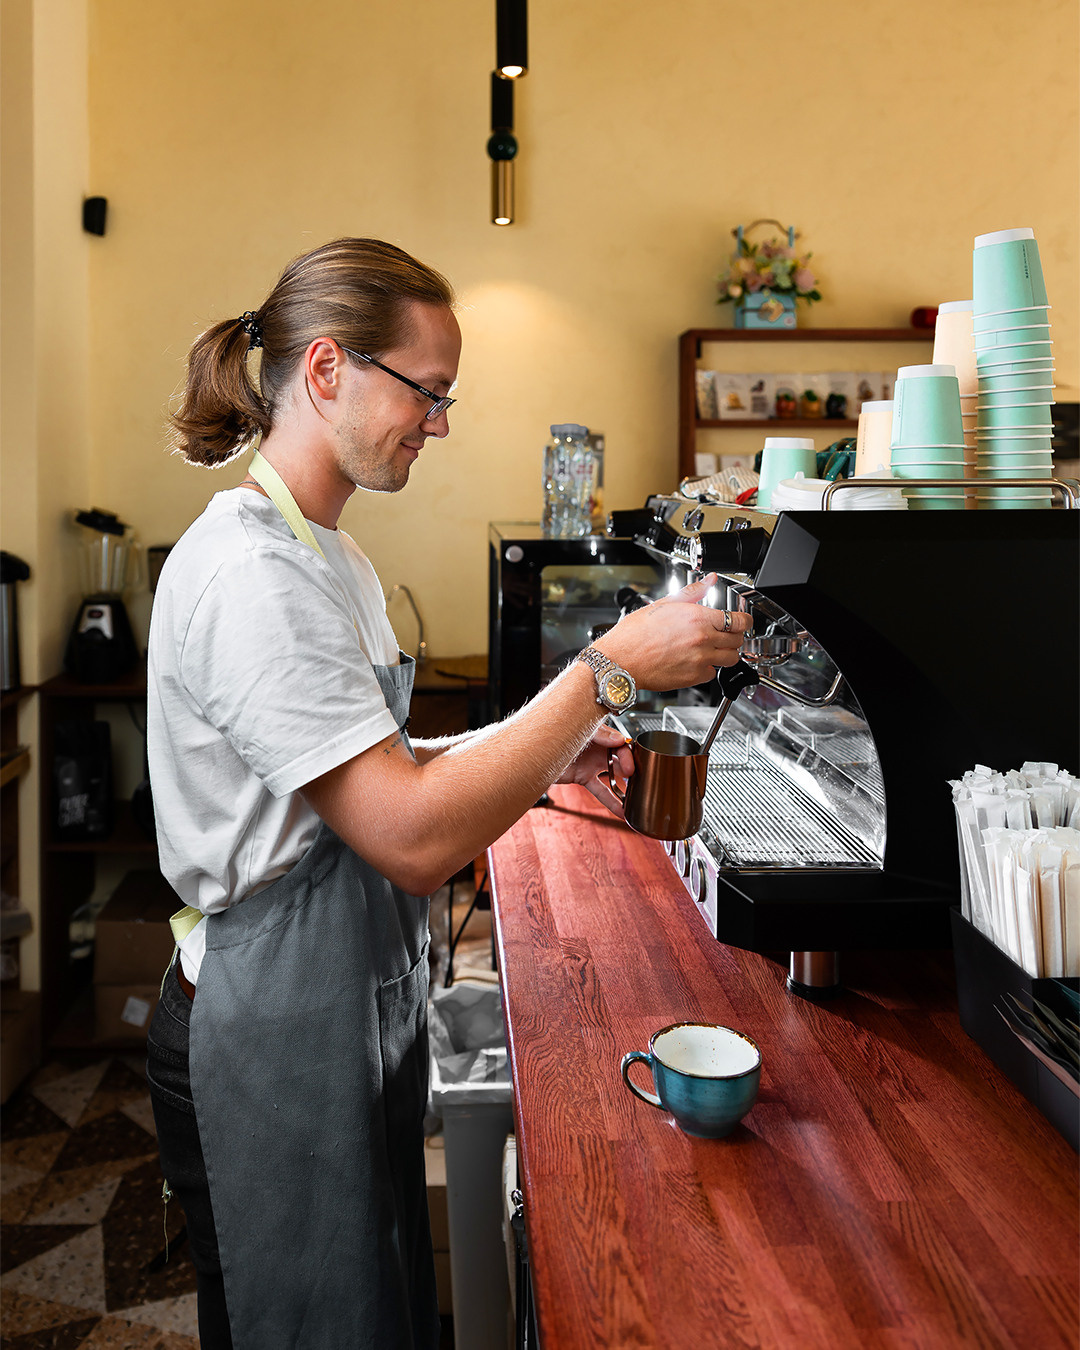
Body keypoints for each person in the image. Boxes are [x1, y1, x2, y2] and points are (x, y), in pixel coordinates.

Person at [144, 237, 750, 1350]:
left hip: (342, 998)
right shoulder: (251, 576)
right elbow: (412, 839)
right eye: (427, 391)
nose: (440, 421)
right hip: (269, 1020)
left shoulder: (330, 555)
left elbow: (374, 765)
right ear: (327, 370)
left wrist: (545, 750)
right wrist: (606, 670)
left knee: (369, 1307)